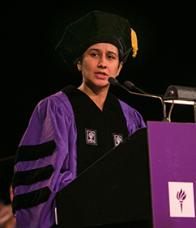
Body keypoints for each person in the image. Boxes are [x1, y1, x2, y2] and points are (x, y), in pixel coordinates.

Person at [12, 10, 146, 228]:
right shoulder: (55, 109)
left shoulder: (131, 117)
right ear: (79, 62)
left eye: (110, 57)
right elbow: (42, 181)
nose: (102, 63)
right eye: (94, 54)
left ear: (119, 67)